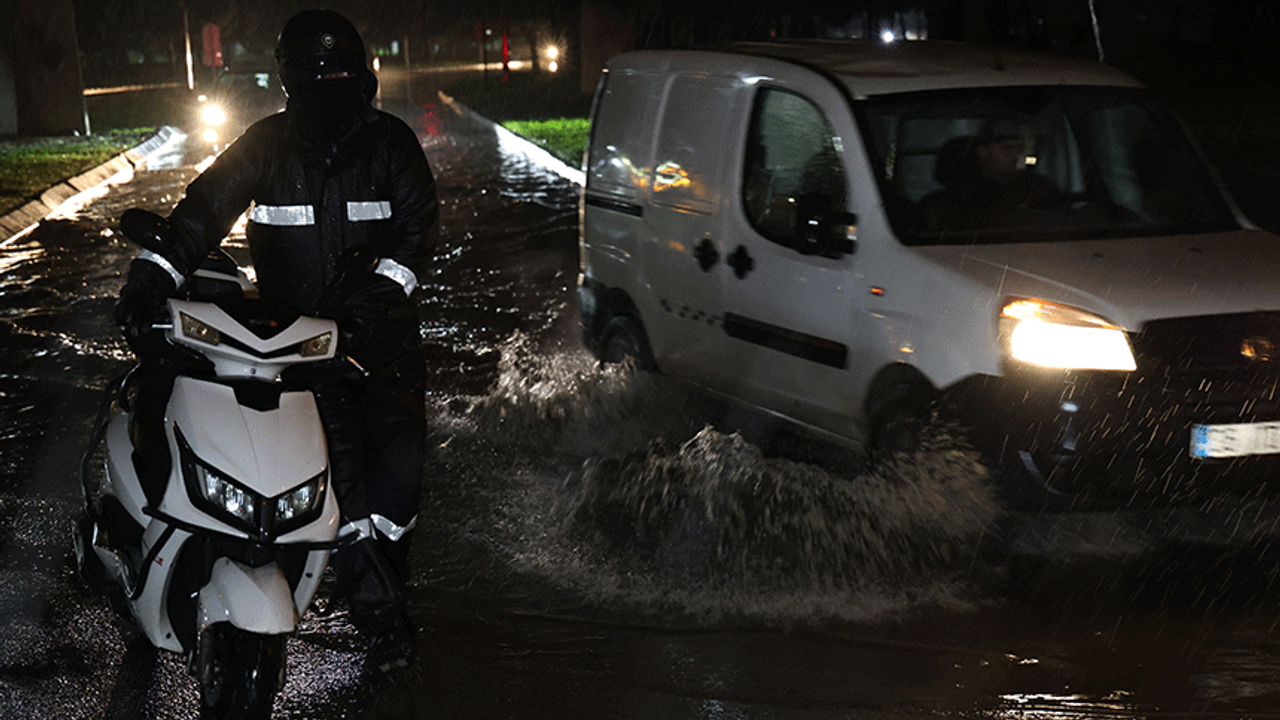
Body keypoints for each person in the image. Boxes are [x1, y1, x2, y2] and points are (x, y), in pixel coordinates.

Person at [113, 9, 437, 673]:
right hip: (293, 352)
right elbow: (199, 217)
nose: (329, 87)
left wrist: (361, 315)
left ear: (362, 74)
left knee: (394, 495)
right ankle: (370, 617)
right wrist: (148, 281)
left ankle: (382, 598)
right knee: (322, 482)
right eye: (317, 75)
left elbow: (413, 245)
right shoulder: (264, 146)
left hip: (382, 356)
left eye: (340, 73)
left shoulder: (393, 146)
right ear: (290, 81)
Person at [923, 117, 1067, 231]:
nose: (1017, 155)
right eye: (1007, 148)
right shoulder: (956, 200)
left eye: (1020, 148)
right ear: (983, 151)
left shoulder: (1039, 188)